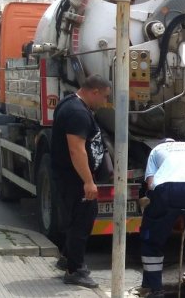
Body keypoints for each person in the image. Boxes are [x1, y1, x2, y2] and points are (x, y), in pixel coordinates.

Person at [50, 74, 112, 289]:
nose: (104, 103)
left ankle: (68, 258)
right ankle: (74, 270)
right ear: (94, 92)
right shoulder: (77, 113)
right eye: (104, 97)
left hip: (69, 176)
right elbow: (76, 150)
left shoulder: (70, 103)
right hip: (75, 179)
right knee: (81, 222)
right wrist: (88, 181)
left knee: (78, 219)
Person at [140, 139, 185, 298]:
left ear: (163, 143)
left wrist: (161, 210)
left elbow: (151, 184)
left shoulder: (156, 149)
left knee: (152, 240)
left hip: (165, 188)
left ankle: (156, 290)